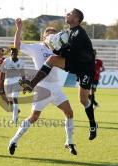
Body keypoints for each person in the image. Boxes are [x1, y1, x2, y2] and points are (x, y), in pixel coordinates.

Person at [19, 8, 98, 140]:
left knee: (83, 100)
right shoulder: (69, 32)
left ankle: (93, 124)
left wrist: (56, 48)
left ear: (77, 19)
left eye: (70, 13)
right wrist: (54, 46)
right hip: (74, 63)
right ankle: (32, 84)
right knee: (51, 60)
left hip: (85, 68)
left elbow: (70, 53)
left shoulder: (79, 33)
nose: (67, 14)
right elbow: (67, 51)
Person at [8, 20, 77, 155]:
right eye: (49, 34)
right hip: (42, 88)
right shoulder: (36, 48)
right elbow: (17, 45)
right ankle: (14, 140)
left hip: (56, 88)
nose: (52, 37)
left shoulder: (57, 49)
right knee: (34, 117)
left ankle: (69, 142)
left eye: (54, 35)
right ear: (44, 37)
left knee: (69, 113)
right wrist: (19, 28)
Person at [0, 48, 25, 123]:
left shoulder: (21, 62)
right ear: (10, 53)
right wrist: (0, 86)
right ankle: (15, 113)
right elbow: (2, 74)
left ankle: (14, 118)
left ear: (17, 53)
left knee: (15, 98)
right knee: (10, 101)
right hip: (7, 82)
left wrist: (24, 85)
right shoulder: (6, 61)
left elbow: (23, 74)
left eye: (15, 53)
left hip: (17, 81)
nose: (13, 54)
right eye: (12, 53)